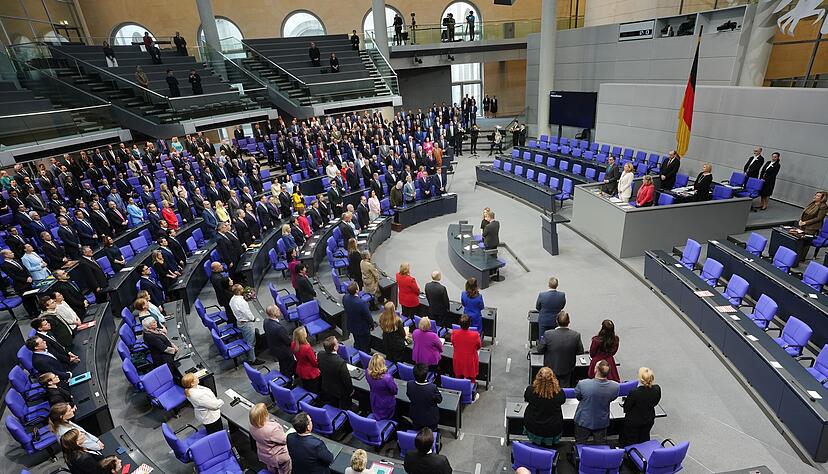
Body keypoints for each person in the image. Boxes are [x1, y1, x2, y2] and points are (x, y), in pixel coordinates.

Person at [574, 360, 620, 444]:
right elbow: (613, 398)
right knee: (600, 445)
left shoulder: (583, 384)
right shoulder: (615, 386)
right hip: (601, 421)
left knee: (580, 444)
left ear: (596, 370)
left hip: (583, 420)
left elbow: (578, 396)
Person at [535, 311, 583, 387]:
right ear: (569, 322)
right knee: (564, 390)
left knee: (550, 388)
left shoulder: (548, 334)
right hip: (567, 369)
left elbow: (540, 350)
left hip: (551, 368)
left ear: (556, 321)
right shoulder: (576, 335)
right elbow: (580, 351)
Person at [523, 367, 566, 446]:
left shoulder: (530, 390)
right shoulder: (559, 393)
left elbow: (526, 399)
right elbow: (562, 401)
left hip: (533, 425)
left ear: (537, 377)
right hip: (552, 427)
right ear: (553, 378)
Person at [621, 367, 662, 446]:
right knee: (644, 438)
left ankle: (632, 455)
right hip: (649, 419)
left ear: (641, 379)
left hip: (633, 422)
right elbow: (656, 402)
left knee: (631, 441)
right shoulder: (657, 389)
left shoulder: (634, 392)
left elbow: (626, 408)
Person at [249, 402, 292, 474]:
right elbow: (284, 440)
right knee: (285, 471)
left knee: (271, 469)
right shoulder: (272, 429)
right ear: (264, 415)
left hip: (264, 454)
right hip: (277, 456)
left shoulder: (251, 425)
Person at [230, 284, 264, 365]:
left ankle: (250, 354)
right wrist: (253, 319)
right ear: (238, 291)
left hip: (239, 322)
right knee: (251, 342)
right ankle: (252, 359)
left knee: (246, 338)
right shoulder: (241, 302)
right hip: (246, 323)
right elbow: (247, 313)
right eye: (242, 289)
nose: (243, 290)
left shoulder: (232, 300)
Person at [317, 336, 353, 409]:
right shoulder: (340, 362)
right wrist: (351, 391)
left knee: (333, 404)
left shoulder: (320, 354)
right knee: (345, 406)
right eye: (337, 343)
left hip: (327, 387)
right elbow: (346, 380)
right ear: (334, 348)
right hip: (340, 391)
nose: (338, 344)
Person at [406, 364, 442, 431]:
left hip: (415, 416)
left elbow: (408, 395)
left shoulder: (409, 384)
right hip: (430, 418)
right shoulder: (432, 387)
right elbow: (439, 400)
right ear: (426, 375)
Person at [264, 304, 296, 378]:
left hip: (275, 349)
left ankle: (283, 375)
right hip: (284, 352)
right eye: (278, 310)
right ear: (274, 313)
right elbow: (288, 341)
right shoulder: (279, 328)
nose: (280, 311)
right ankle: (288, 382)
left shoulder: (266, 321)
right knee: (289, 366)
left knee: (282, 365)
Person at [343, 282, 374, 353]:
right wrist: (372, 325)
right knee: (365, 345)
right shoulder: (361, 303)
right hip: (362, 328)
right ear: (357, 290)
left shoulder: (345, 298)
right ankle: (365, 355)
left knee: (356, 340)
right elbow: (368, 316)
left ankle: (357, 348)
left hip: (352, 324)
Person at [451, 315, 481, 386]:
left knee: (458, 378)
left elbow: (453, 343)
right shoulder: (475, 335)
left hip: (458, 359)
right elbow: (479, 346)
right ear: (469, 324)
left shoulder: (454, 333)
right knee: (471, 380)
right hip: (470, 360)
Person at [367, 353, 398, 420]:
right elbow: (394, 391)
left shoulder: (367, 372)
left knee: (377, 414)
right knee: (387, 418)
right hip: (386, 402)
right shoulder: (387, 378)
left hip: (374, 399)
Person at [292, 326, 320, 392]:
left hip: (300, 369)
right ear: (303, 335)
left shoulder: (293, 344)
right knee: (314, 388)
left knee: (306, 385)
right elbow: (314, 362)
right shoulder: (307, 348)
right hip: (310, 372)